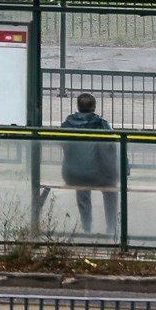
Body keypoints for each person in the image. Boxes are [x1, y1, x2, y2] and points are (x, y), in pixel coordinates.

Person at [60, 93, 120, 234]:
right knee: (111, 188)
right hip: (98, 176)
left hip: (72, 175)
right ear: (94, 107)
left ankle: (86, 227)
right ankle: (111, 228)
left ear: (78, 106)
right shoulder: (102, 125)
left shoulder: (67, 124)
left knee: (82, 179)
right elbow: (112, 148)